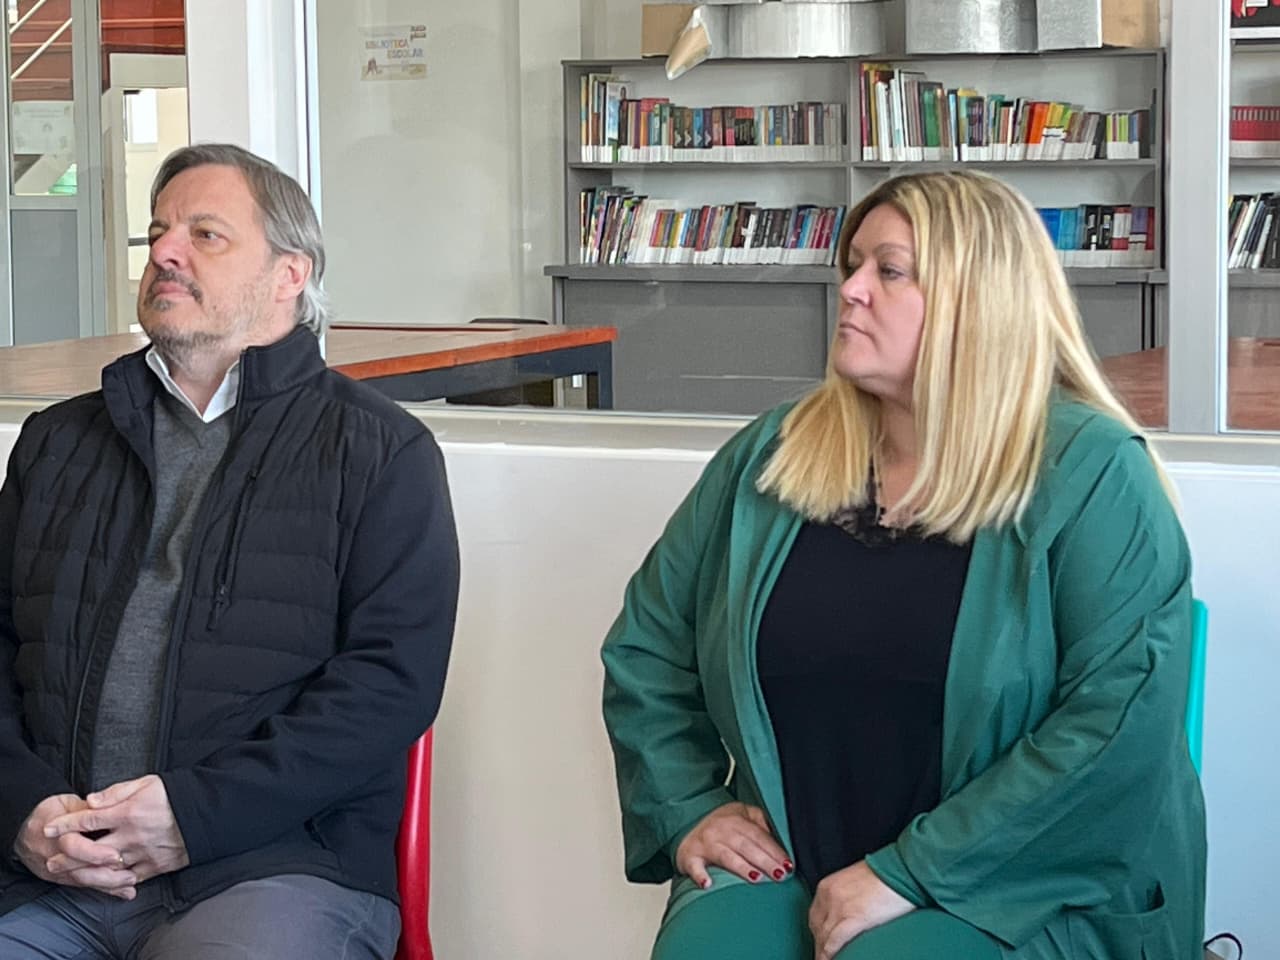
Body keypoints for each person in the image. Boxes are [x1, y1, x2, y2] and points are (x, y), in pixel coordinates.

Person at [601, 170, 1206, 960]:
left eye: (889, 271)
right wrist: (687, 806)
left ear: (977, 302)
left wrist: (914, 871)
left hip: (1023, 882)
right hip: (792, 856)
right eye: (852, 264)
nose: (850, 290)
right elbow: (648, 645)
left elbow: (1118, 723)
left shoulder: (1092, 472)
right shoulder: (773, 454)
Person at [0, 143, 460, 958]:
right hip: (50, 876)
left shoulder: (380, 452)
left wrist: (190, 816)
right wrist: (22, 811)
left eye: (204, 234)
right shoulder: (55, 442)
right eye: (158, 233)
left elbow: (390, 686)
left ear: (291, 274)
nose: (165, 252)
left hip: (274, 869)